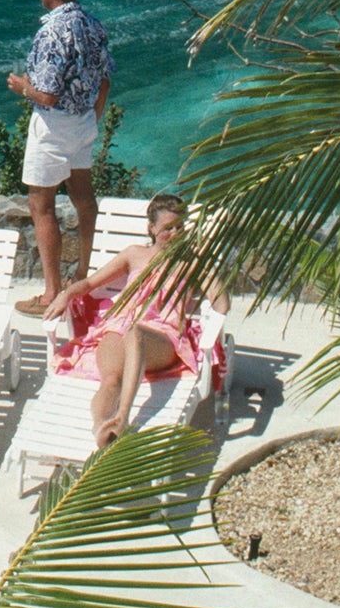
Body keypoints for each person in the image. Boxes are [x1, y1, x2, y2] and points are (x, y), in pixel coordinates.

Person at [30, 191, 231, 449]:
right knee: (111, 379)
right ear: (152, 228)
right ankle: (102, 430)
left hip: (163, 336)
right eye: (168, 228)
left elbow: (221, 303)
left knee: (136, 334)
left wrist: (203, 259)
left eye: (181, 227)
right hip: (119, 326)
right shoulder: (134, 254)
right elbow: (91, 282)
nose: (175, 233)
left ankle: (123, 417)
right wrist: (65, 295)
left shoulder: (189, 262)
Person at [8, 0, 110, 311]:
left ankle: (51, 293)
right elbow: (105, 81)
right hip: (83, 121)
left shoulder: (51, 31)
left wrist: (21, 86)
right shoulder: (93, 25)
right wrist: (91, 119)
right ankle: (82, 274)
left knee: (41, 204)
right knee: (83, 196)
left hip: (53, 126)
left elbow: (47, 95)